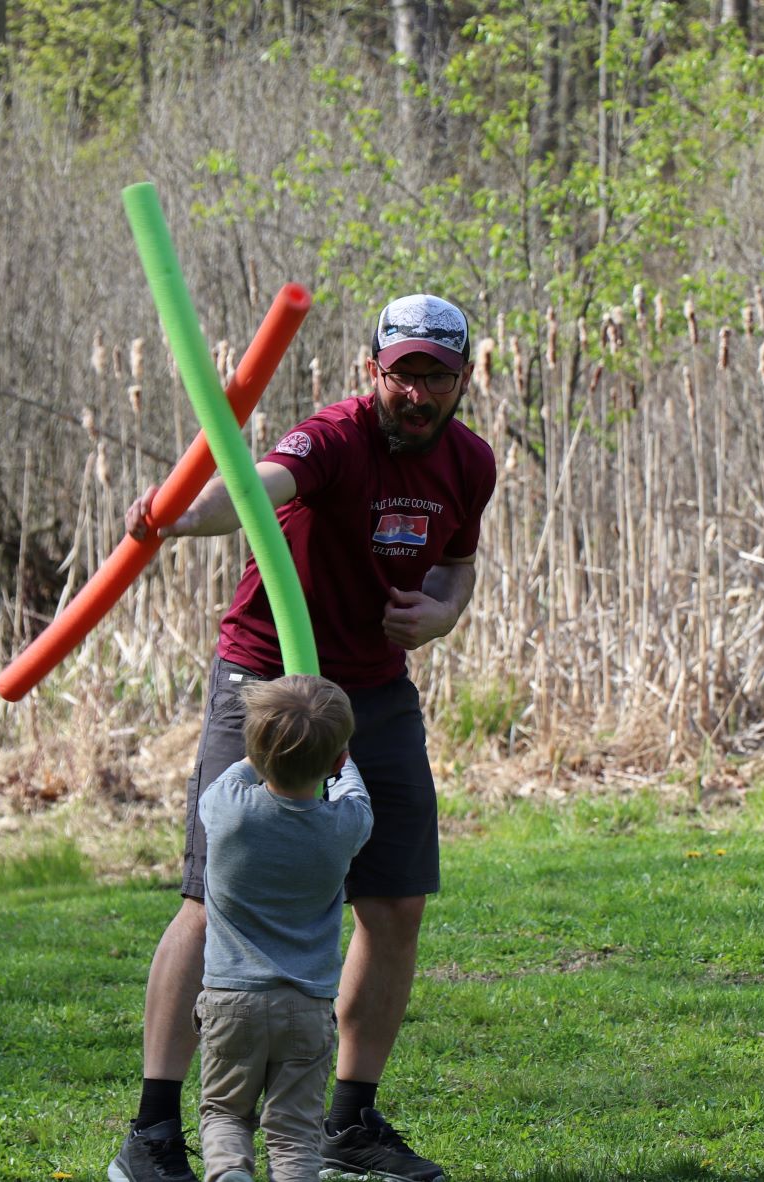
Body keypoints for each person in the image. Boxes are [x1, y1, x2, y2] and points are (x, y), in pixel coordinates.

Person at [108, 293, 496, 1182]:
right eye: (402, 374)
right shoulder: (331, 438)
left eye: (435, 376)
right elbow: (250, 492)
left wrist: (439, 612)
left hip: (373, 692)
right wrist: (171, 514)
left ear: (461, 380)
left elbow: (460, 563)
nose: (418, 392)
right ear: (373, 374)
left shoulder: (469, 462)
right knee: (211, 901)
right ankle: (154, 1133)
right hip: (270, 686)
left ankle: (349, 1122)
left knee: (396, 903)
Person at [191, 675, 373, 1182]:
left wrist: (267, 746)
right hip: (307, 1005)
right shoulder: (343, 827)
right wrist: (339, 755)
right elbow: (355, 795)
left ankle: (229, 1175)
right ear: (336, 761)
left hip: (231, 999)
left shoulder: (228, 811)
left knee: (226, 1114)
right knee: (294, 1132)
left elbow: (239, 770)